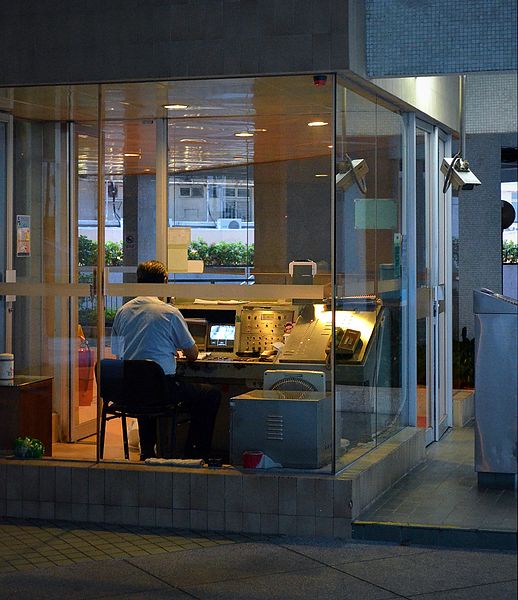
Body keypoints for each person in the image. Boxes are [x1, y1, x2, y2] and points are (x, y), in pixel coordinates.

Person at [111, 260, 221, 461]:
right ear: (164, 281)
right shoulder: (169, 312)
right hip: (162, 390)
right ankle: (194, 453)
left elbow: (119, 353)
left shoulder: (123, 311)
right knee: (210, 394)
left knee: (144, 384)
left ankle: (147, 452)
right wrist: (173, 351)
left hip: (129, 390)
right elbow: (193, 355)